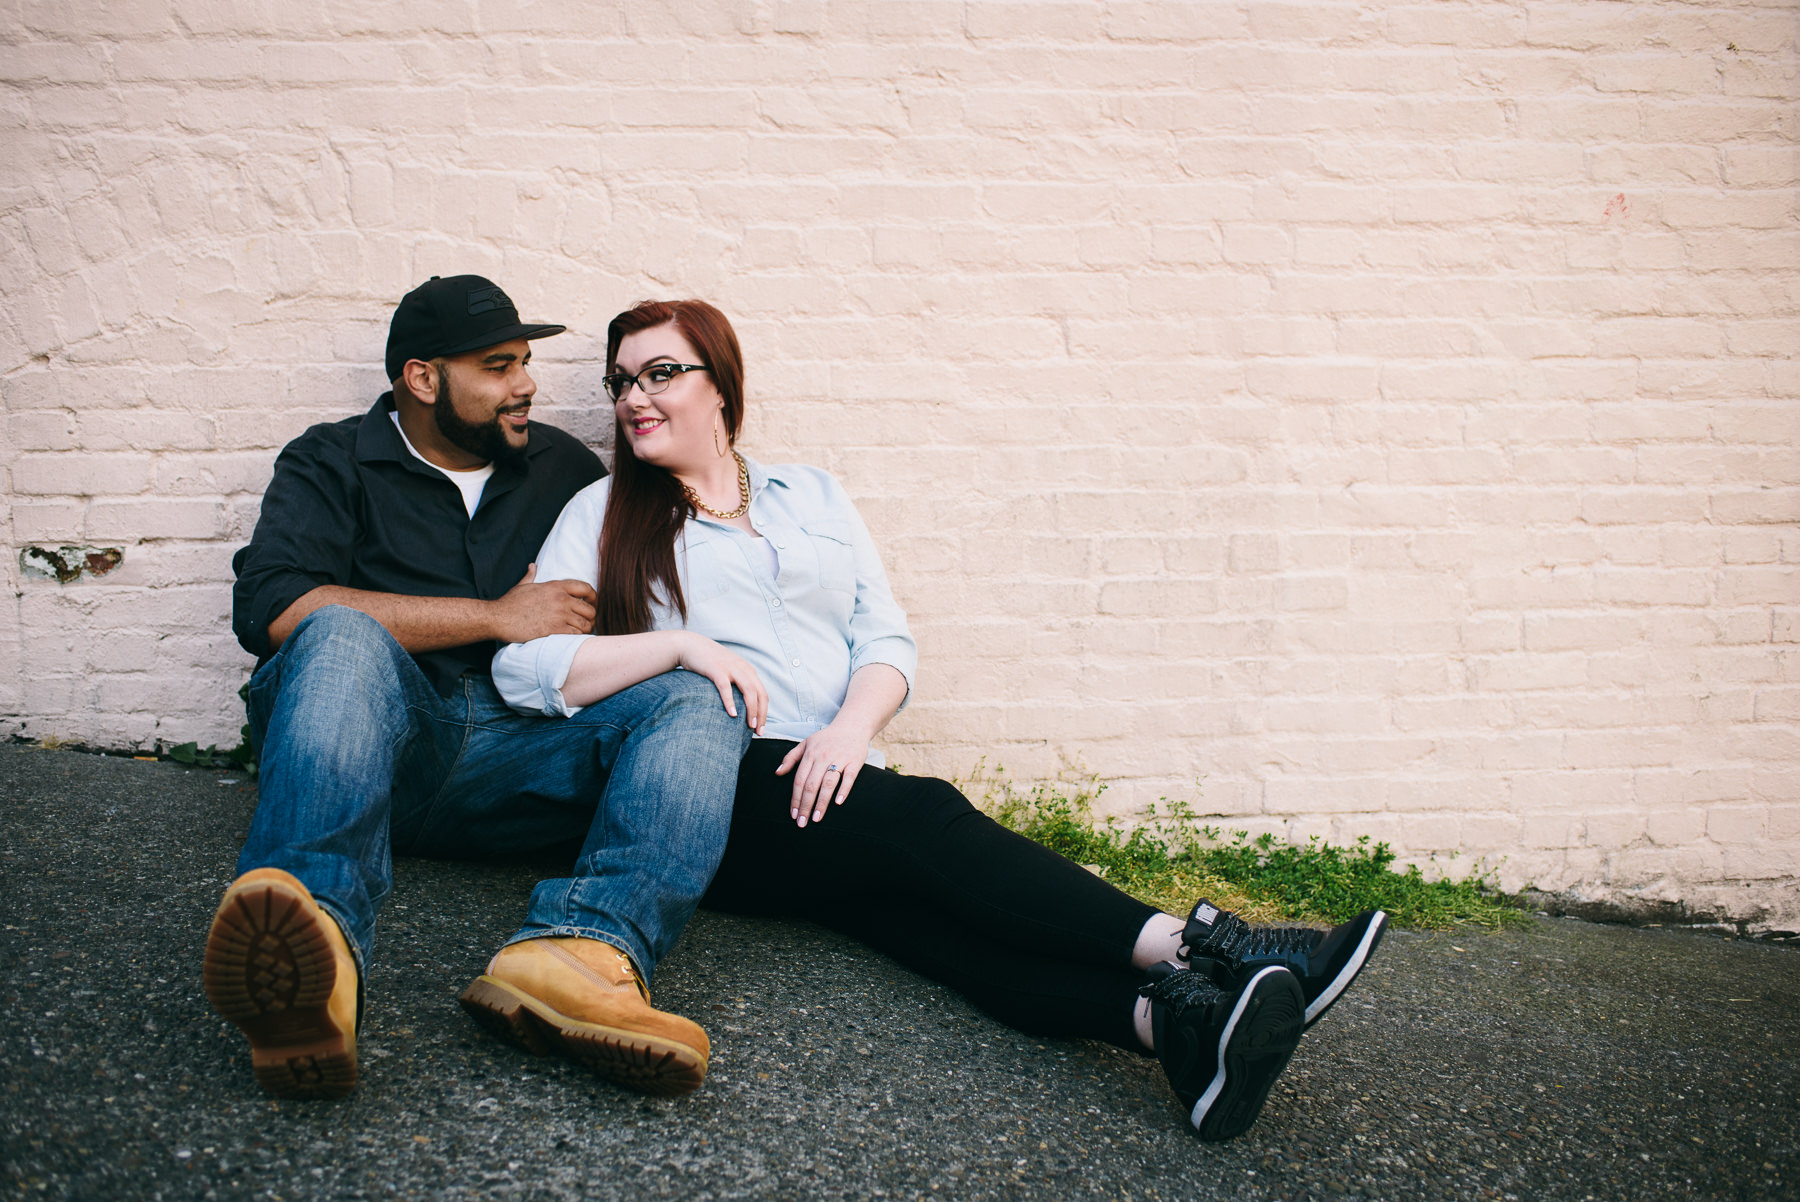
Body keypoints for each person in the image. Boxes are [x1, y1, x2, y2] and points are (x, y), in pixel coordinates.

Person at [490, 299, 1388, 1140]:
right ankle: (1214, 951)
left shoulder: (813, 496)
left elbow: (885, 636)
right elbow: (521, 664)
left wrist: (848, 731)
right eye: (621, 381)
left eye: (658, 374)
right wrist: (677, 647)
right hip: (714, 786)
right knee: (926, 823)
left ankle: (1174, 1030)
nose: (633, 398)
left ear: (719, 385)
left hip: (836, 772)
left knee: (924, 924)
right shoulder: (602, 513)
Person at [210, 277, 752, 1102]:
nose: (527, 384)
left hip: (523, 752)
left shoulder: (562, 470)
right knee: (342, 631)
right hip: (384, 748)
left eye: (525, 362)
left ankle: (582, 954)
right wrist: (495, 616)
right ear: (424, 380)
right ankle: (311, 957)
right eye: (499, 366)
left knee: (696, 688)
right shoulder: (330, 459)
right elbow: (276, 607)